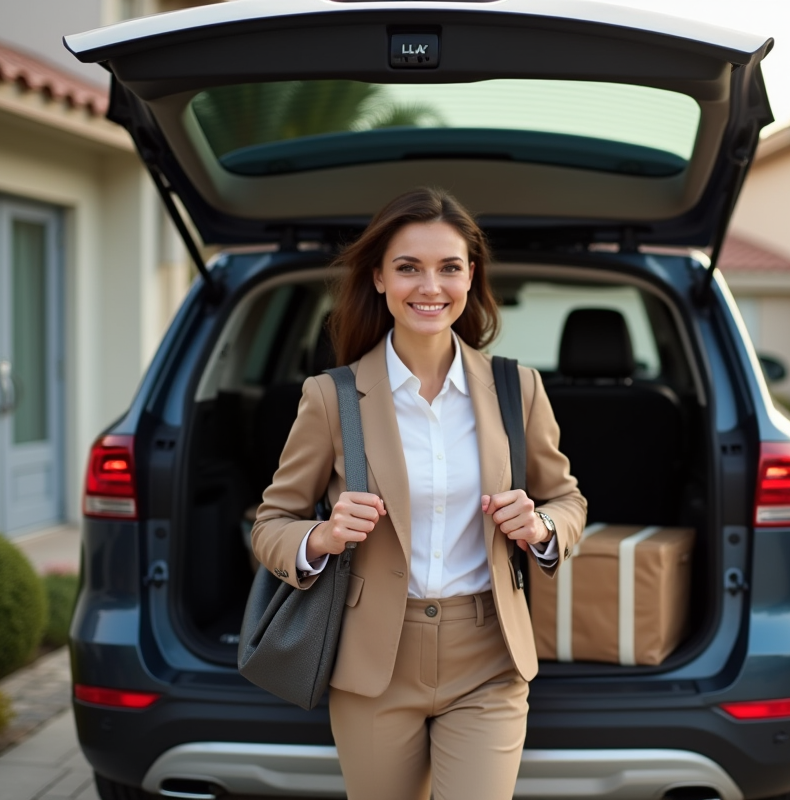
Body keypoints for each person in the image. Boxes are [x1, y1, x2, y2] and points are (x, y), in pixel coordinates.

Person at [251, 186, 587, 800]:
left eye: (448, 267)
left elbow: (568, 501)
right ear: (379, 278)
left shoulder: (518, 388)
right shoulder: (332, 397)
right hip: (373, 663)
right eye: (409, 267)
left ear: (471, 277)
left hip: (488, 657)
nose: (430, 286)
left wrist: (540, 528)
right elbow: (271, 523)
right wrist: (319, 537)